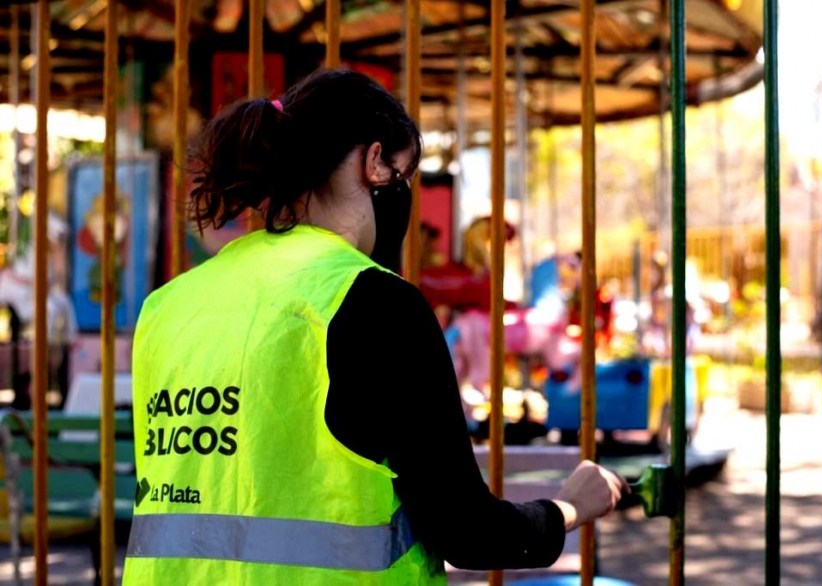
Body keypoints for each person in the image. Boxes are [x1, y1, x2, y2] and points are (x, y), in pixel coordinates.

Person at [122, 69, 627, 585]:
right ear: (374, 162)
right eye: (403, 176)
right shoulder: (375, 302)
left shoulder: (167, 305)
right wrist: (569, 508)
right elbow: (469, 530)